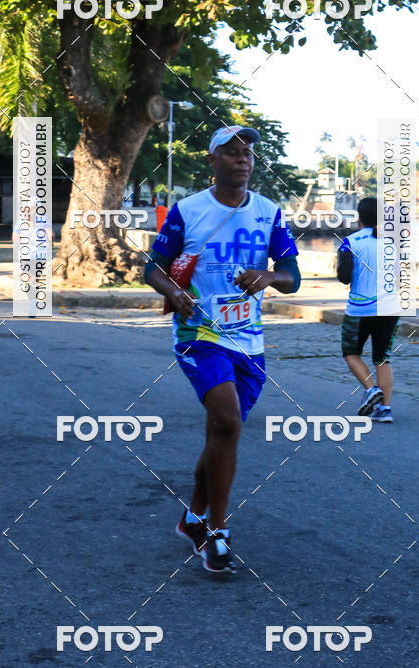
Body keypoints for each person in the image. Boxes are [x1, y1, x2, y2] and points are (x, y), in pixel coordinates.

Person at [145, 126, 301, 573]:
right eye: (231, 153)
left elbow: (293, 276)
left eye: (248, 153)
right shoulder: (187, 210)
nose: (242, 159)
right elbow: (154, 269)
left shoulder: (269, 213)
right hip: (199, 335)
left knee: (222, 433)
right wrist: (174, 293)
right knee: (228, 421)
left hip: (249, 341)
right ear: (212, 161)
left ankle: (191, 518)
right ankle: (217, 531)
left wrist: (270, 276)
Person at [337, 197, 398, 423]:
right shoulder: (394, 242)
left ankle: (371, 389)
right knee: (382, 359)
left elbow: (343, 277)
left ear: (359, 217)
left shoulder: (350, 242)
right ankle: (385, 409)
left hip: (360, 310)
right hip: (390, 308)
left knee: (350, 352)